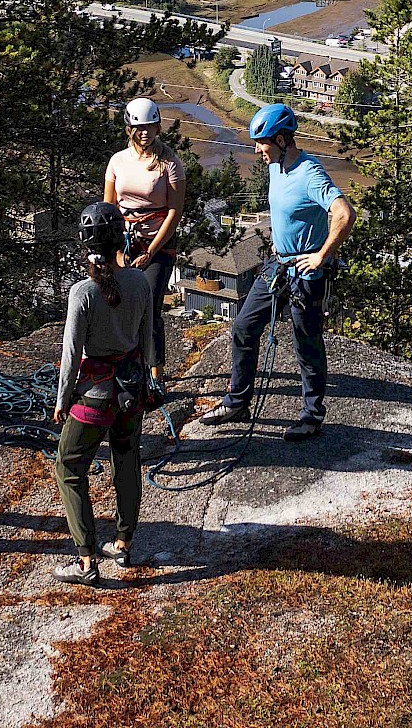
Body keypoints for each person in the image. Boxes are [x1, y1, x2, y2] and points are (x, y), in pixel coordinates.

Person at [199, 103, 353, 442]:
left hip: (306, 274)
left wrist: (321, 256)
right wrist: (279, 243)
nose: (257, 150)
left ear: (282, 139)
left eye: (262, 142)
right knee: (244, 326)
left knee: (306, 343)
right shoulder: (276, 167)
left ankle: (312, 416)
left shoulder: (309, 173)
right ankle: (238, 402)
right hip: (278, 264)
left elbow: (344, 213)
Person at [51, 201, 159, 585]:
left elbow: (71, 353)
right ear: (122, 240)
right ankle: (123, 543)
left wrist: (63, 400)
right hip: (131, 389)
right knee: (126, 461)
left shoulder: (83, 292)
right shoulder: (140, 282)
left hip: (94, 394)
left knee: (68, 465)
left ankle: (85, 560)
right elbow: (147, 338)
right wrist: (147, 379)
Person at [103, 97, 185, 386]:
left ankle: (155, 373)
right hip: (125, 241)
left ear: (158, 127)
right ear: (129, 129)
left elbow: (175, 210)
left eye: (150, 127)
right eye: (139, 128)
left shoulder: (170, 163)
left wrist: (151, 251)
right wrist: (113, 249)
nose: (145, 133)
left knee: (150, 303)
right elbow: (109, 207)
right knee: (116, 300)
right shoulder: (118, 162)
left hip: (157, 241)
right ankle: (121, 363)